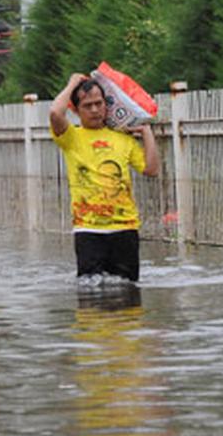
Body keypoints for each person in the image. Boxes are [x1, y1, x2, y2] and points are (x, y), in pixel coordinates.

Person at [50, 73, 160, 281]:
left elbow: (151, 170)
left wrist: (146, 133)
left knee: (128, 293)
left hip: (125, 228)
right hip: (89, 229)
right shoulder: (71, 137)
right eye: (87, 105)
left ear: (106, 104)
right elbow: (56, 113)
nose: (94, 110)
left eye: (99, 104)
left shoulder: (122, 139)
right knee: (90, 294)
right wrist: (73, 82)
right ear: (77, 110)